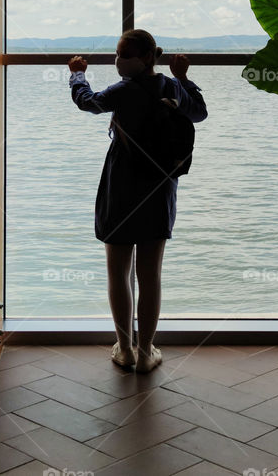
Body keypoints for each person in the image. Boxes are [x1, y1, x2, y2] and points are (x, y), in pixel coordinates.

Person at [68, 29, 207, 373]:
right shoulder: (171, 87)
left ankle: (125, 348)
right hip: (159, 188)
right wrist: (183, 78)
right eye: (118, 53)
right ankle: (146, 351)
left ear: (145, 57)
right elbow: (199, 113)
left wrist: (77, 74)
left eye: (124, 53)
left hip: (121, 186)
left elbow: (88, 102)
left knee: (118, 272)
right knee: (150, 274)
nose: (119, 60)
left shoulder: (124, 90)